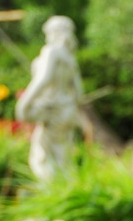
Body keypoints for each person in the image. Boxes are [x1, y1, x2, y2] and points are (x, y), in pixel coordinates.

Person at [16, 16, 83, 180]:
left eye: (48, 32)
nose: (47, 37)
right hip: (68, 111)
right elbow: (80, 94)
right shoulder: (70, 58)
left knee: (40, 158)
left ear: (54, 32)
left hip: (53, 112)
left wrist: (24, 104)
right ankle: (68, 194)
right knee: (63, 157)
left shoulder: (51, 51)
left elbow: (43, 79)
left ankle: (51, 194)